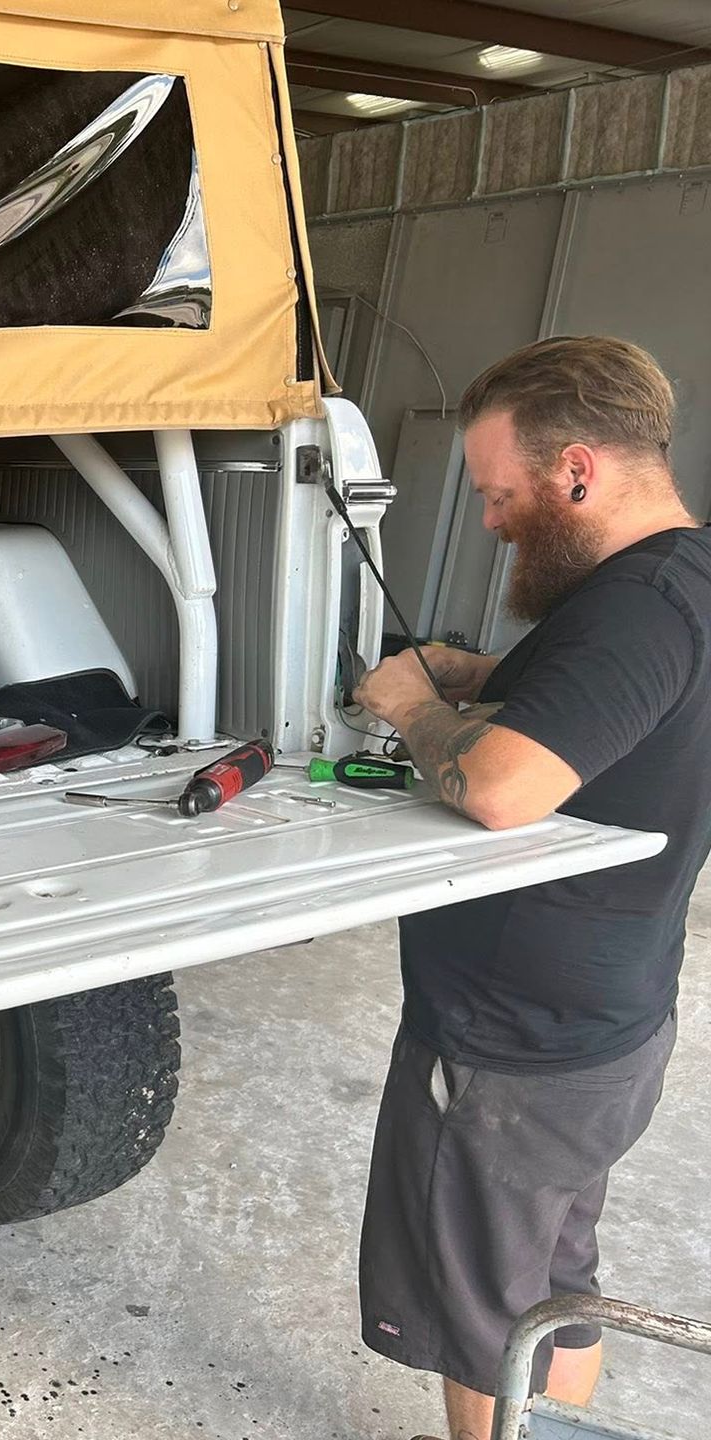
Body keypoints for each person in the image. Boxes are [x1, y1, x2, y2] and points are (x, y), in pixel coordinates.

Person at [351, 335, 708, 1440]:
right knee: (556, 1285)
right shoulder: (679, 582)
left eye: (500, 496)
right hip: (605, 1026)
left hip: (513, 1046)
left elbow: (503, 787)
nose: (493, 520)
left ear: (578, 473)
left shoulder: (634, 610)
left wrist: (412, 710)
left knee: (482, 1322)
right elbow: (577, 695)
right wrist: (454, 671)